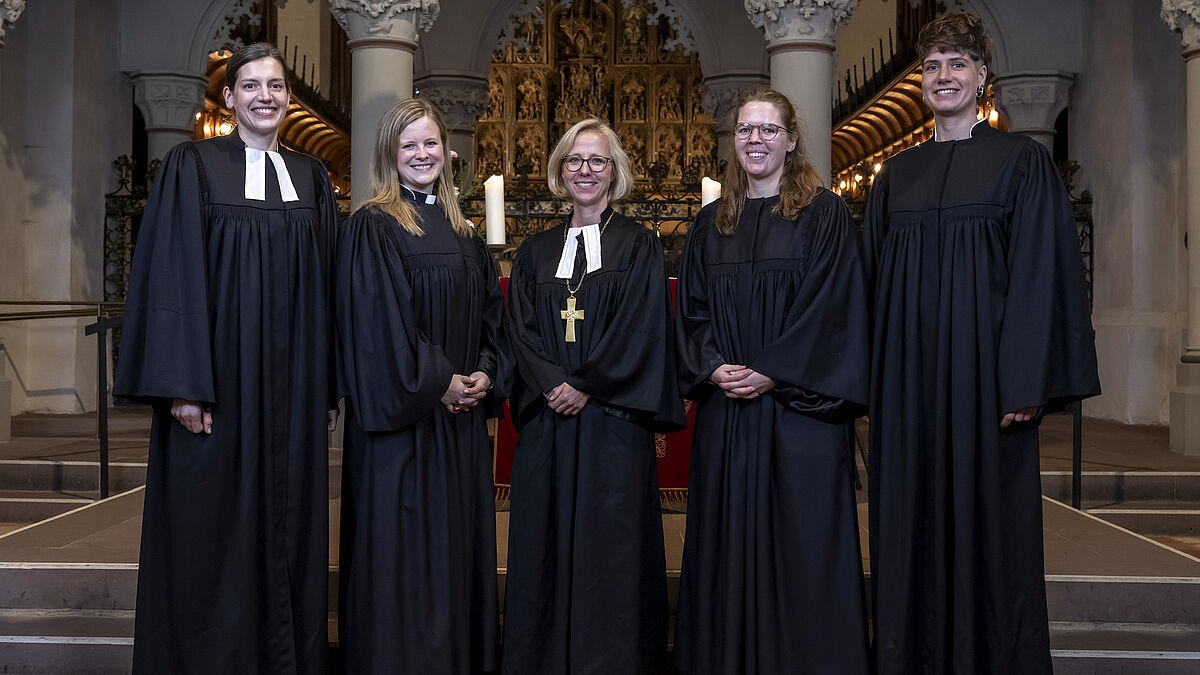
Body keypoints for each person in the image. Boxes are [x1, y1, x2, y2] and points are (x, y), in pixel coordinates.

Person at [863, 12, 1101, 674]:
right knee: (911, 528)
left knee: (991, 533)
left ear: (982, 77)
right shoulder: (894, 178)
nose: (943, 75)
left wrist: (1024, 380)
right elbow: (871, 287)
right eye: (932, 66)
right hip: (909, 389)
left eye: (957, 63)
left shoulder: (1020, 164)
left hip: (988, 389)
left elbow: (1040, 277)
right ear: (920, 82)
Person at [113, 43, 337, 674]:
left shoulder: (314, 177)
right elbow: (171, 277)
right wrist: (182, 385)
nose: (266, 96)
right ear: (231, 98)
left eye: (276, 86)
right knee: (209, 526)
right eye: (252, 86)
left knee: (288, 524)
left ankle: (280, 656)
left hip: (291, 388)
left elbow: (326, 289)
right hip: (216, 387)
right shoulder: (193, 165)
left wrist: (325, 389)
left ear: (288, 99)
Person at [673, 89, 871, 675]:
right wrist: (712, 365)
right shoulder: (712, 224)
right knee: (725, 548)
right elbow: (691, 310)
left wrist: (773, 370)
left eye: (767, 129)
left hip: (799, 415)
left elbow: (832, 309)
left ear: (790, 139)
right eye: (744, 130)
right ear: (733, 142)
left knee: (804, 549)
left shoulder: (824, 214)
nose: (754, 140)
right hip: (727, 414)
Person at [502, 118, 685, 675]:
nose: (585, 171)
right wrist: (553, 382)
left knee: (614, 546)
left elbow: (642, 325)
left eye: (597, 161)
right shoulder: (535, 251)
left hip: (612, 424)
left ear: (615, 172)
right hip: (548, 425)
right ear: (560, 171)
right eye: (575, 161)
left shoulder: (638, 245)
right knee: (545, 541)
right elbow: (520, 328)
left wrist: (584, 384)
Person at [334, 98, 508, 674]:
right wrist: (439, 382)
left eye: (430, 143)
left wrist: (486, 370)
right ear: (390, 154)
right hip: (401, 427)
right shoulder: (372, 227)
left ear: (448, 153)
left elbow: (491, 318)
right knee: (402, 555)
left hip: (457, 428)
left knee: (454, 549)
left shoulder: (465, 236)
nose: (421, 154)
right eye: (408, 145)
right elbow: (376, 327)